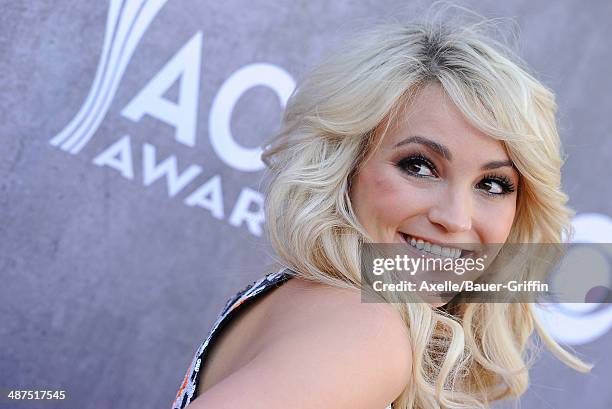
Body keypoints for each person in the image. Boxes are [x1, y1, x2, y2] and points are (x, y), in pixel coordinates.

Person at [171, 7, 593, 409]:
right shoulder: (364, 331)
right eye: (419, 167)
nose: (456, 218)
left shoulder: (313, 303)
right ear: (347, 165)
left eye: (493, 184)